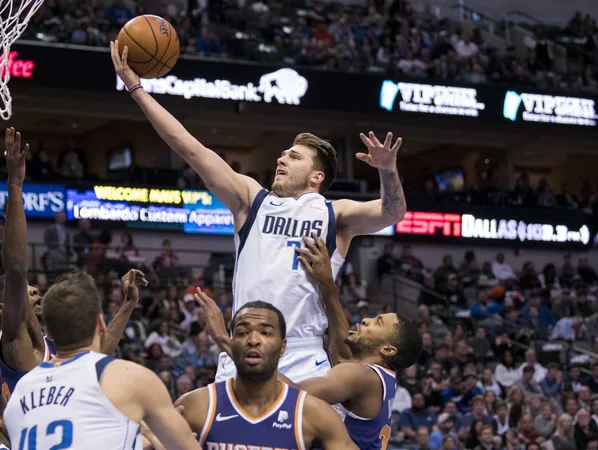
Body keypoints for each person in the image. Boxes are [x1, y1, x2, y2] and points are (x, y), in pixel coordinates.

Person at [111, 41, 406, 384]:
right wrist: (136, 89)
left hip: (301, 353)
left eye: (294, 157)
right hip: (242, 347)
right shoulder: (252, 199)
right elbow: (191, 149)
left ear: (317, 177)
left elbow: (391, 212)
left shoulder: (334, 213)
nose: (281, 159)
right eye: (283, 154)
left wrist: (387, 170)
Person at [196, 236, 422, 449]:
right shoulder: (377, 378)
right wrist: (327, 284)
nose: (366, 319)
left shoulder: (362, 376)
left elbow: (290, 393)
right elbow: (343, 355)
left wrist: (226, 341)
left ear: (388, 349)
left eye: (377, 322)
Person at [0, 128, 136, 401]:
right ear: (1, 307)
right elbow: (16, 269)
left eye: (32, 289)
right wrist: (15, 186)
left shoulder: (54, 345)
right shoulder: (13, 339)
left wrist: (128, 304)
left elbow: (100, 352)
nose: (35, 292)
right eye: (27, 291)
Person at [3, 271, 201, 450]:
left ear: (48, 333)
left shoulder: (20, 392)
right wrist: (153, 437)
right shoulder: (130, 378)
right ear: (100, 323)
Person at [169, 300, 357, 450]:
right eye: (243, 332)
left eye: (266, 333)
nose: (253, 340)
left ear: (283, 346)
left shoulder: (313, 413)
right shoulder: (195, 405)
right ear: (231, 342)